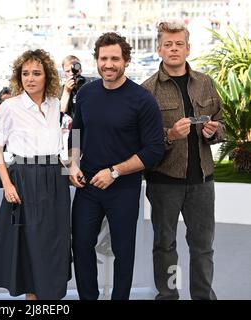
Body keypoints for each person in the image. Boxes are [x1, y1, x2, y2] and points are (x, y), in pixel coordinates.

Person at [68, 32, 165, 300]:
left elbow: (154, 150)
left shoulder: (142, 99)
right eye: (103, 58)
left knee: (123, 250)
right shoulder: (86, 93)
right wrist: (73, 165)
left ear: (126, 61)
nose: (108, 64)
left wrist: (114, 172)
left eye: (114, 59)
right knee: (82, 245)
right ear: (96, 60)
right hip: (87, 185)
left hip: (123, 186)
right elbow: (76, 132)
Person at [142, 22, 225, 300]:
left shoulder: (205, 83)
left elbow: (222, 124)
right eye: (168, 44)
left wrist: (214, 131)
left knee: (203, 247)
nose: (174, 49)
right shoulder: (147, 91)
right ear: (159, 49)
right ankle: (169, 296)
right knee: (165, 246)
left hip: (202, 181)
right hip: (163, 182)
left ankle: (203, 296)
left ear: (188, 48)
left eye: (179, 44)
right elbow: (143, 142)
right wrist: (170, 135)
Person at [0, 49, 72, 300]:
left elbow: (63, 142)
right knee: (30, 244)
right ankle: (32, 300)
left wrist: (72, 167)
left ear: (47, 77)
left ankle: (51, 299)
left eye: (36, 73)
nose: (30, 78)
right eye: (25, 74)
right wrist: (7, 183)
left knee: (55, 242)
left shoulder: (55, 104)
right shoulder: (10, 107)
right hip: (24, 178)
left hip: (55, 178)